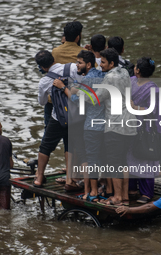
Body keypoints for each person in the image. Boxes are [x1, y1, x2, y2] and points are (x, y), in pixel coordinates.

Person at [81, 48, 137, 205]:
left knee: (114, 163)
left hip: (115, 126)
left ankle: (117, 197)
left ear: (112, 63)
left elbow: (96, 98)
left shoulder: (110, 78)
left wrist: (79, 94)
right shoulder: (125, 73)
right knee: (123, 161)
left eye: (103, 63)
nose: (101, 66)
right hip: (130, 123)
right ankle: (124, 196)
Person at [53, 50, 106, 200]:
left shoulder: (88, 79)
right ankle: (102, 188)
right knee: (102, 157)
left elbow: (76, 100)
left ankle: (90, 192)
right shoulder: (101, 74)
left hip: (91, 125)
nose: (77, 65)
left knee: (90, 159)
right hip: (104, 123)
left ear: (88, 64)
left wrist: (63, 88)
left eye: (80, 63)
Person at [34, 50, 82, 190]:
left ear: (42, 67)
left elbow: (42, 102)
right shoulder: (72, 67)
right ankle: (71, 178)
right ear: (53, 59)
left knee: (46, 145)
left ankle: (39, 177)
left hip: (58, 117)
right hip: (77, 117)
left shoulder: (44, 81)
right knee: (70, 145)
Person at [127, 57, 161, 204]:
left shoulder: (152, 89)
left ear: (138, 70)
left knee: (144, 156)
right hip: (131, 125)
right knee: (131, 156)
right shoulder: (130, 81)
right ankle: (132, 189)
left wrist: (135, 107)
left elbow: (153, 110)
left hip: (145, 127)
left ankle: (147, 193)